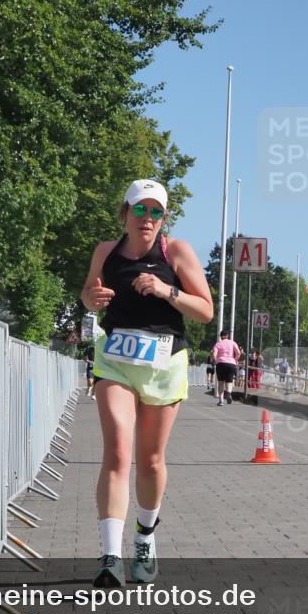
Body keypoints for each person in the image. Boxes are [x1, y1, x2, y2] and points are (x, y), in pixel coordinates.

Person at [81, 179, 213, 588]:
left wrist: (166, 290)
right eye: (140, 210)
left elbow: (205, 311)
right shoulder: (106, 251)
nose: (148, 219)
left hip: (163, 363)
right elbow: (87, 292)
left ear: (163, 218)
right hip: (116, 362)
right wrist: (92, 298)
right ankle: (109, 556)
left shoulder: (176, 252)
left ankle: (145, 536)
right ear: (125, 213)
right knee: (118, 451)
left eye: (156, 212)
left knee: (151, 460)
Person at [211, 330, 241, 406]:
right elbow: (238, 353)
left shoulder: (218, 344)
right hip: (231, 363)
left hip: (220, 363)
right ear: (227, 335)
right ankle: (228, 393)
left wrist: (215, 360)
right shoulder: (233, 343)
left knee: (221, 382)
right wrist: (235, 360)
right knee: (229, 381)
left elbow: (214, 354)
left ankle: (221, 401)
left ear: (220, 336)